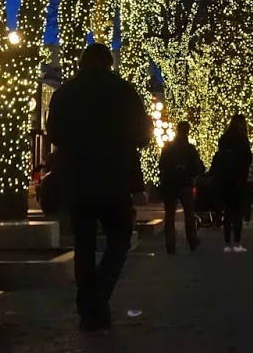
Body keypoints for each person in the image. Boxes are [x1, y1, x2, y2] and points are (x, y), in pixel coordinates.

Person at [45, 42, 153, 332]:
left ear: (81, 63)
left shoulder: (64, 93)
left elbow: (53, 133)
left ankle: (88, 305)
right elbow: (143, 136)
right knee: (119, 239)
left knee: (84, 244)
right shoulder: (125, 92)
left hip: (77, 178)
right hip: (115, 177)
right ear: (109, 64)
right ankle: (99, 294)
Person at [159, 120, 205, 254]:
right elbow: (197, 167)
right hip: (185, 183)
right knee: (189, 214)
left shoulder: (168, 148)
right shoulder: (190, 148)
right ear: (188, 131)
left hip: (170, 184)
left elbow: (162, 165)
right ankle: (192, 241)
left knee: (169, 216)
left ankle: (170, 245)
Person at [211, 114, 253, 253]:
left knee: (227, 212)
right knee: (238, 212)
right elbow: (248, 158)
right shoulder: (243, 139)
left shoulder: (224, 138)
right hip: (239, 179)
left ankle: (227, 243)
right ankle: (237, 243)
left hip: (224, 179)